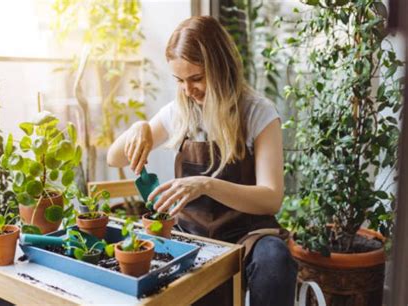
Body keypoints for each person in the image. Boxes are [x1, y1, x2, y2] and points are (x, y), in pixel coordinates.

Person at [107, 15, 297, 306]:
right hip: (191, 235)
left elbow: (271, 199)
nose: (187, 89)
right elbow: (114, 157)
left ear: (222, 69)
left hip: (248, 236)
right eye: (179, 80)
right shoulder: (180, 111)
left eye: (196, 78)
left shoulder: (258, 113)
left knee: (276, 261)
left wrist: (206, 185)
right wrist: (139, 128)